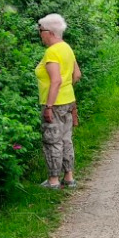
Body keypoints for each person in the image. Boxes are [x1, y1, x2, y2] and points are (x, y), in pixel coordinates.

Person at [35, 13, 81, 189]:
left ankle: (53, 180)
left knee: (52, 140)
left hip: (54, 104)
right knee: (66, 139)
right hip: (68, 101)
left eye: (41, 30)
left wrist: (49, 106)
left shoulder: (52, 52)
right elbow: (76, 75)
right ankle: (69, 177)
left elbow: (56, 80)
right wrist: (66, 92)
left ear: (50, 32)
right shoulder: (66, 48)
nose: (40, 34)